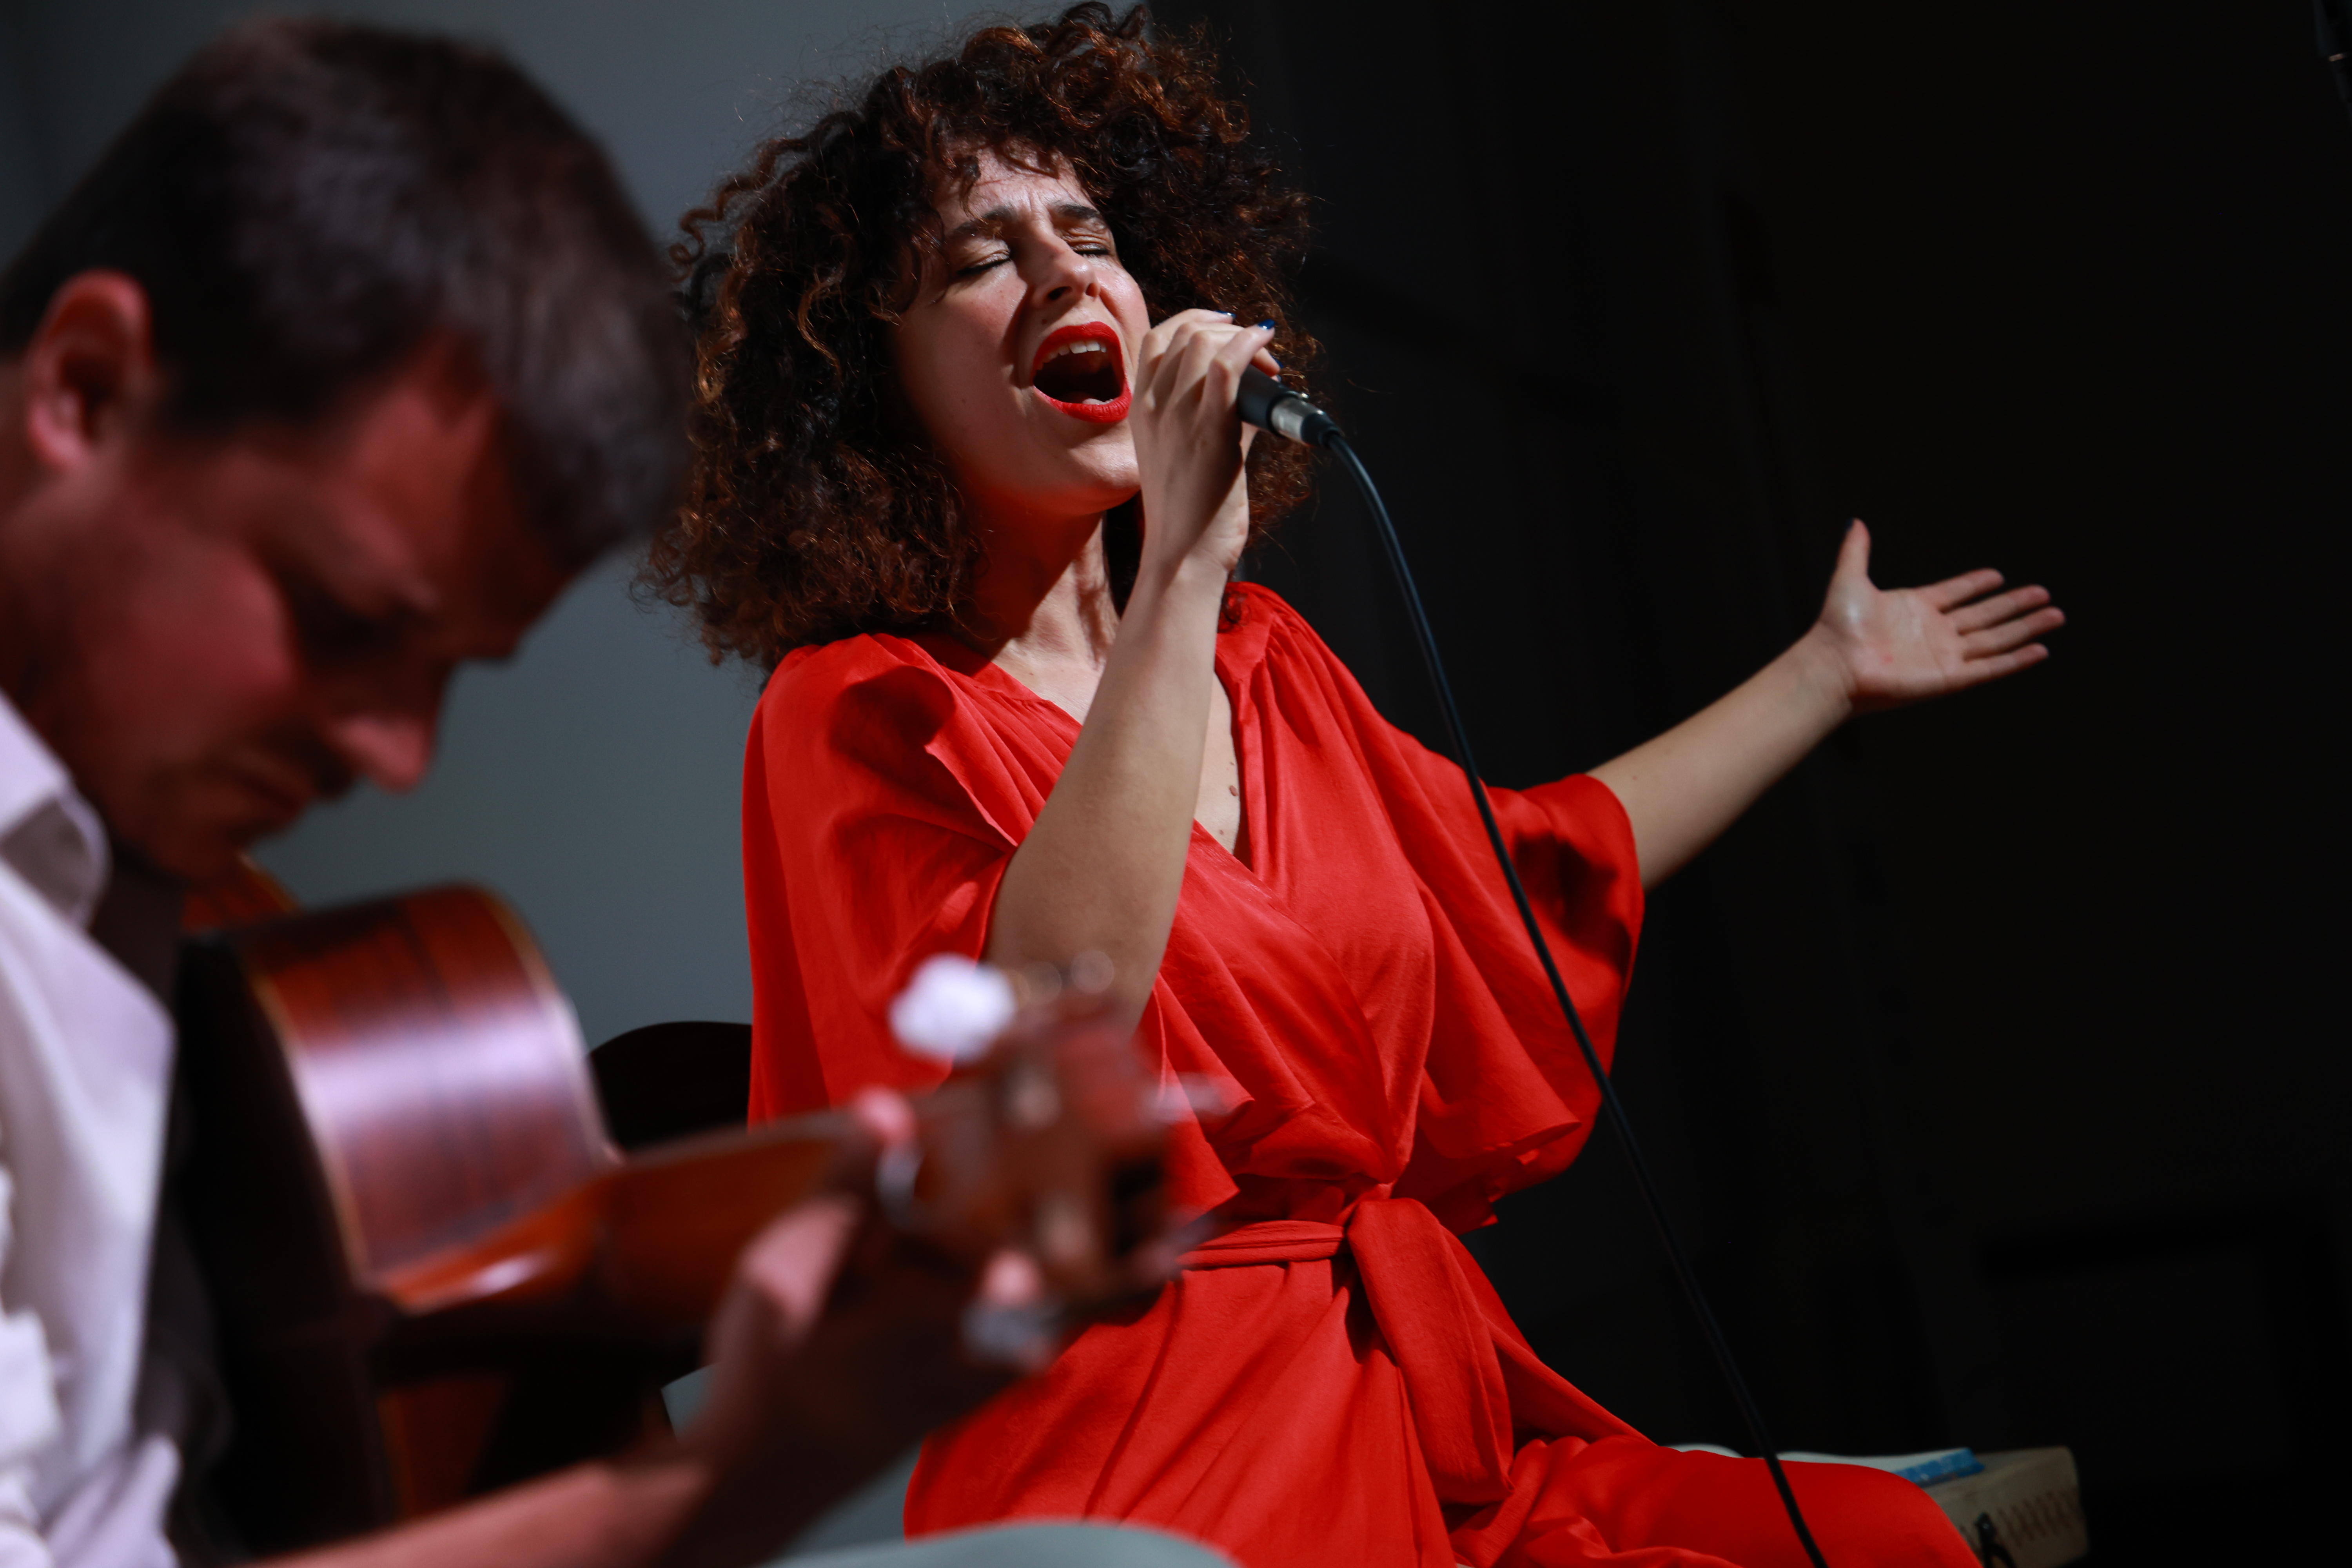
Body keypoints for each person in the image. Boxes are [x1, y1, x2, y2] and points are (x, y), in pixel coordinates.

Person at [653, 5, 2067, 1567]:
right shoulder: (861, 710)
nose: (1066, 274)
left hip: (1421, 1413)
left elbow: (1533, 871)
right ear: (877, 391)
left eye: (1092, 236)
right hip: (1144, 1456)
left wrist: (1826, 673)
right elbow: (1048, 1024)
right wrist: (1180, 570)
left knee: (1882, 1541)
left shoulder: (1267, 665)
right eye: (984, 258)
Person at [0, 20, 1227, 1568]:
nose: (394, 758)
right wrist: (731, 1474)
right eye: (346, 617)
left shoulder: (110, 876)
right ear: (88, 391)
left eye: (450, 669)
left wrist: (824, 1261)